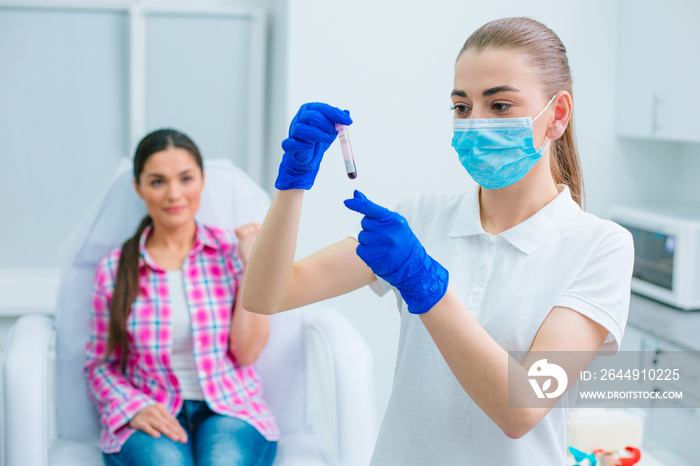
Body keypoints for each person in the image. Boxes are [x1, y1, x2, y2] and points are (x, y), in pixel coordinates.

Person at [241, 17, 634, 465]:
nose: (475, 123)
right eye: (462, 107)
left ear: (557, 115)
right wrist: (293, 184)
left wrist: (425, 283)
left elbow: (523, 404)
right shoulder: (422, 217)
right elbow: (266, 295)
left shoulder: (600, 247)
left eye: (500, 105)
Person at [83, 129, 278, 466]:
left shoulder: (232, 253)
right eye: (157, 182)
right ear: (138, 187)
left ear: (202, 181)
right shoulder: (114, 269)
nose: (174, 194)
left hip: (231, 407)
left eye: (185, 179)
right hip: (152, 408)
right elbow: (100, 365)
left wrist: (251, 265)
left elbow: (246, 352)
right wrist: (134, 406)